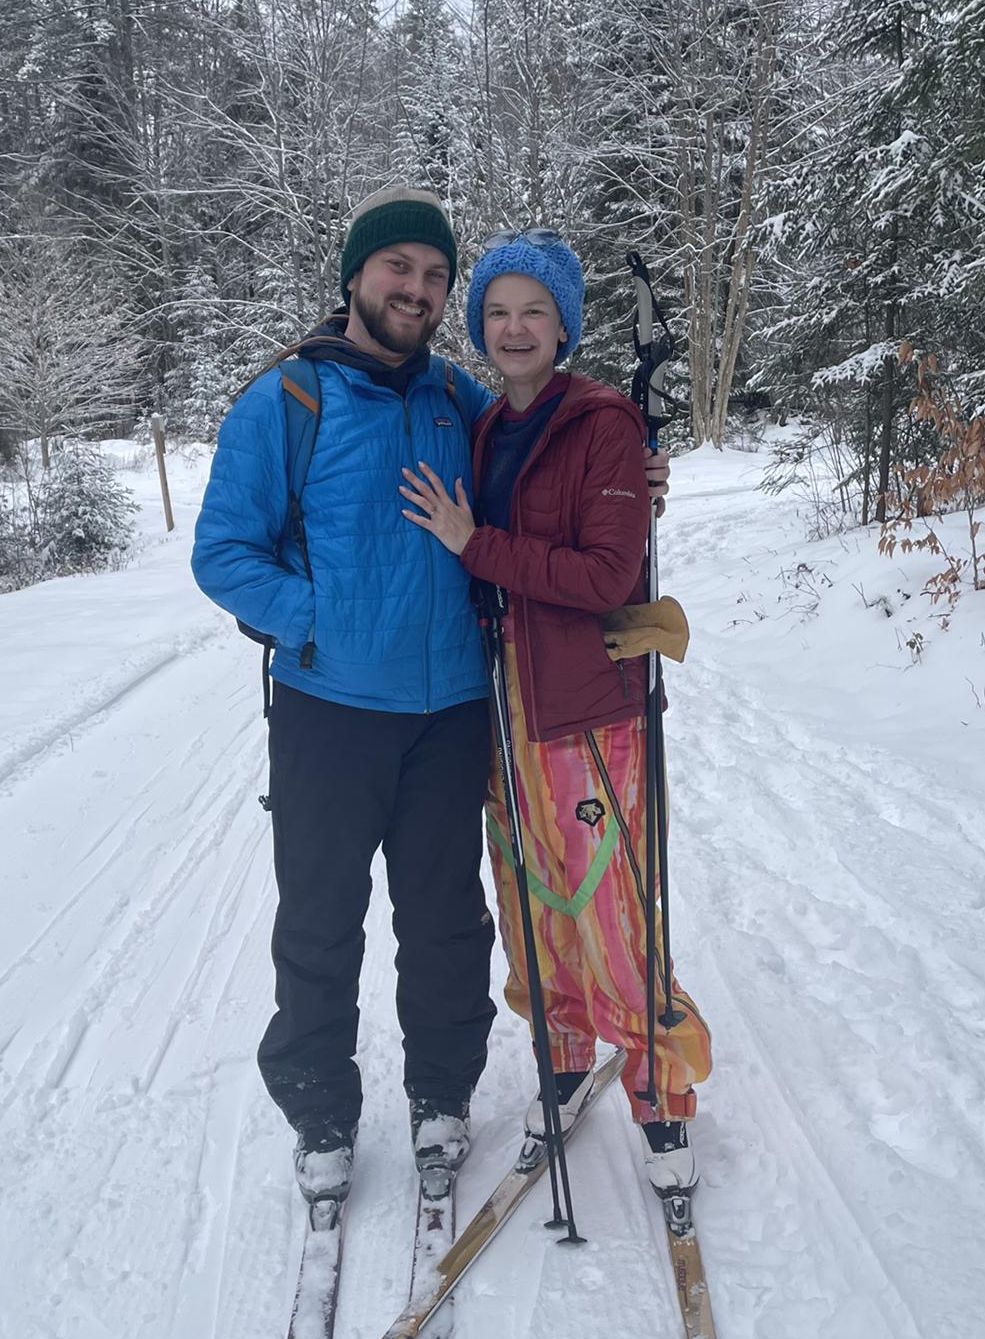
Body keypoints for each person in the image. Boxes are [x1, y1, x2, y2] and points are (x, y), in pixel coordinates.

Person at [191, 185, 671, 1209]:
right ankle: (321, 1108)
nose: (414, 288)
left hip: (455, 709)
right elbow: (222, 552)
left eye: (432, 275)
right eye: (396, 269)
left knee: (448, 919)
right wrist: (314, 619)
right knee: (321, 920)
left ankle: (441, 1095)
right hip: (327, 707)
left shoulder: (462, 400)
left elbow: (550, 465)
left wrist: (635, 473)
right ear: (356, 277)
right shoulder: (287, 398)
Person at [399, 230, 712, 1193]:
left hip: (586, 712)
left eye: (534, 310)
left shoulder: (603, 424)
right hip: (503, 711)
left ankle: (661, 1096)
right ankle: (569, 1057)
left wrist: (475, 543)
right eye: (497, 311)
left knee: (612, 909)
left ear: (566, 324)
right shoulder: (490, 426)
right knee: (535, 900)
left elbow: (606, 574)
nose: (514, 327)